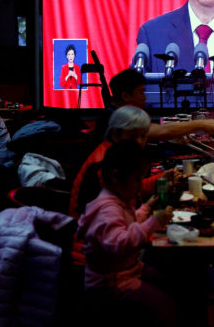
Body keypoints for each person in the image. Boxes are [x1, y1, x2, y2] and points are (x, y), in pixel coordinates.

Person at [77, 140, 175, 327]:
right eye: (137, 179)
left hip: (125, 271)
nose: (140, 185)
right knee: (165, 307)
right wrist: (155, 222)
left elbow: (127, 227)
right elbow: (121, 244)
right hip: (109, 284)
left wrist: (147, 207)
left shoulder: (116, 200)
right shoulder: (107, 210)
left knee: (166, 281)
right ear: (115, 176)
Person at [91, 69, 214, 143]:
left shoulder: (114, 112)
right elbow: (160, 131)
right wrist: (200, 124)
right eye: (141, 92)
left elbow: (158, 130)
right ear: (126, 96)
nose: (145, 97)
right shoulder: (115, 118)